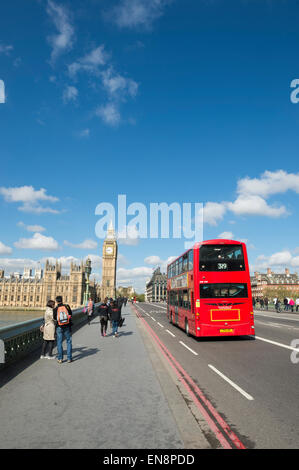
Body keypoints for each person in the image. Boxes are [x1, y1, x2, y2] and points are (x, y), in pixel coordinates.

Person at [53, 296, 73, 364]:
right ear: (62, 300)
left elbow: (54, 318)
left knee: (59, 342)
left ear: (56, 301)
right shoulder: (67, 306)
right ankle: (69, 358)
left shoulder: (55, 309)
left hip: (59, 327)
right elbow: (70, 314)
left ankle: (60, 359)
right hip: (67, 326)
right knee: (68, 341)